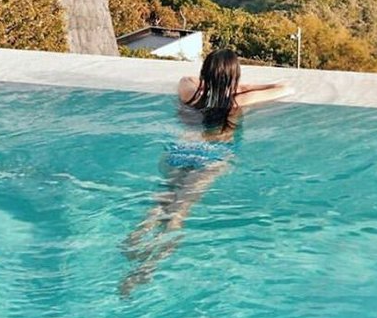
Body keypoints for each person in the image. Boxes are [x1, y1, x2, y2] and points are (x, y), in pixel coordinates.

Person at [119, 49, 289, 297]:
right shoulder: (235, 102)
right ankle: (147, 268)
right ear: (234, 77)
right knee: (179, 210)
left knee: (163, 198)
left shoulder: (187, 90)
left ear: (205, 71)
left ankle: (135, 239)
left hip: (182, 149)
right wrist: (241, 86)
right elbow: (284, 88)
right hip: (212, 156)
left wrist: (213, 83)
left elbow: (188, 78)